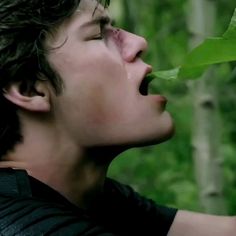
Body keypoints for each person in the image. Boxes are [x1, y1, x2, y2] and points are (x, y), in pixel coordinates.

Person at [0, 0, 235, 235]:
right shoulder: (30, 227)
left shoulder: (92, 197)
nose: (138, 42)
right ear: (29, 88)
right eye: (98, 34)